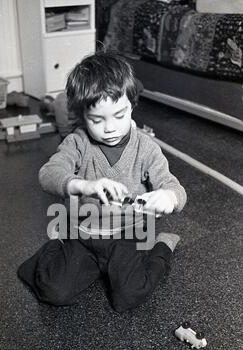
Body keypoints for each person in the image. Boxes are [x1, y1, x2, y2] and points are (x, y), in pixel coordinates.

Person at [17, 51, 187, 312]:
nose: (110, 128)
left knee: (129, 296)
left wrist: (169, 197)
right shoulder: (78, 142)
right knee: (54, 291)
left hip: (129, 235)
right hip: (84, 234)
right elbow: (48, 174)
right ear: (83, 116)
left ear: (132, 104)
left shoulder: (146, 148)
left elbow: (175, 187)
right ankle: (58, 243)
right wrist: (84, 185)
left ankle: (163, 245)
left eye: (120, 115)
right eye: (97, 120)